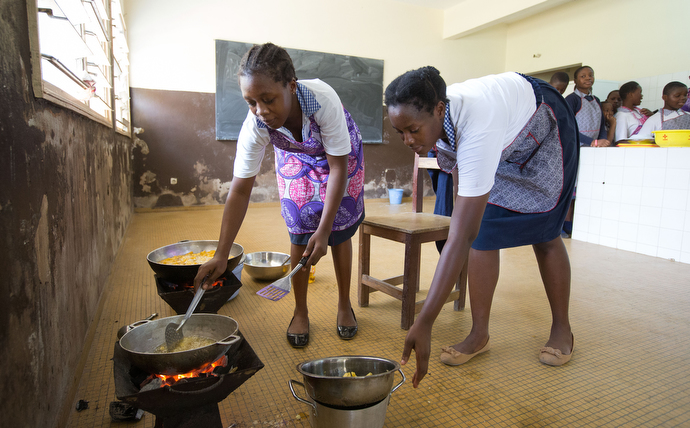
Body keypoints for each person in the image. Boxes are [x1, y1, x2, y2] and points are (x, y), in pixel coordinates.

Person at [385, 67, 578, 388]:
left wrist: (425, 320)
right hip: (505, 137)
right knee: (484, 232)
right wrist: (466, 217)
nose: (407, 140)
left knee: (545, 233)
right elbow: (467, 214)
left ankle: (562, 327)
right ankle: (479, 333)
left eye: (413, 130)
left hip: (544, 126)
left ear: (439, 110)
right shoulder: (442, 118)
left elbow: (460, 234)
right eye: (399, 132)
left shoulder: (478, 124)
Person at [195, 43, 365, 348]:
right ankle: (300, 311)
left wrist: (324, 231)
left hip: (339, 155)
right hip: (296, 156)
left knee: (339, 227)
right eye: (251, 102)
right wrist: (221, 253)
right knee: (299, 223)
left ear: (291, 86)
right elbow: (240, 188)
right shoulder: (257, 125)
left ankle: (343, 305)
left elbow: (338, 168)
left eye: (268, 99)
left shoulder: (323, 101)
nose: (261, 110)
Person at [565, 66, 611, 147]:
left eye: (591, 75)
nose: (588, 78)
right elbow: (568, 127)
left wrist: (602, 140)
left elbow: (601, 124)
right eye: (583, 76)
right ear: (575, 81)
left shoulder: (596, 100)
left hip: (595, 146)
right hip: (576, 147)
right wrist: (591, 142)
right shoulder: (572, 99)